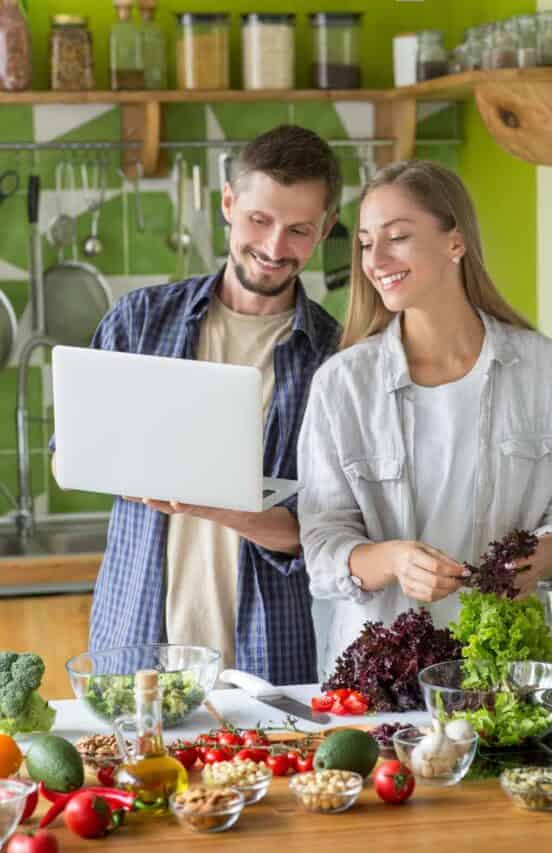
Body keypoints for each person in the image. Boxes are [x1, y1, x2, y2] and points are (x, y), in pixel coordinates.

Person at [53, 125, 342, 685]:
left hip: (266, 660)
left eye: (299, 230)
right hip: (135, 652)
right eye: (260, 220)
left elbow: (324, 534)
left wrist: (217, 506)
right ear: (229, 204)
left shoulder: (335, 358)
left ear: (325, 229)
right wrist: (129, 469)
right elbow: (66, 459)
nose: (275, 247)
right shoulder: (140, 320)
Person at [297, 159, 552, 678]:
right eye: (367, 243)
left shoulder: (548, 371)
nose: (377, 260)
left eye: (397, 237)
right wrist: (394, 561)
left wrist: (544, 557)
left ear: (455, 243)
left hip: (507, 677)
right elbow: (324, 550)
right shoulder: (342, 383)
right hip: (378, 685)